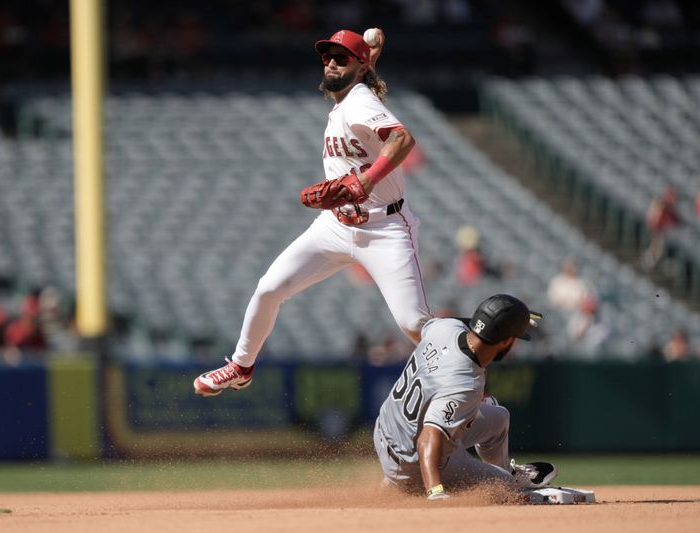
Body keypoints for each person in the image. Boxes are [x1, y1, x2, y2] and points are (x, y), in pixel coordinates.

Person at [194, 29, 430, 396]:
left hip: (384, 228)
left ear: (359, 64)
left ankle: (473, 386)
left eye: (342, 58)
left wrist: (367, 180)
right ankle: (240, 366)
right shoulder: (352, 98)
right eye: (328, 58)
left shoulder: (358, 102)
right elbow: (361, 92)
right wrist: (367, 63)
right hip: (335, 226)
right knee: (269, 288)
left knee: (414, 324)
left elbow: (402, 139)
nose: (331, 63)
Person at [373, 294, 556, 499]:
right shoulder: (465, 383)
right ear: (506, 342)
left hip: (385, 434)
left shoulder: (445, 327)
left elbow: (479, 324)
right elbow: (428, 438)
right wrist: (435, 491)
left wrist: (513, 318)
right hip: (414, 461)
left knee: (499, 417)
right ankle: (406, 484)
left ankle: (503, 470)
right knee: (501, 487)